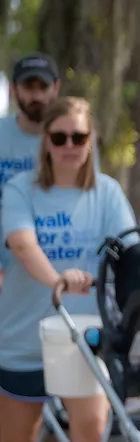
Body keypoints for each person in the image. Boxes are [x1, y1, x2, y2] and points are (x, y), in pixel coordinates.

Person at [0, 96, 135, 442]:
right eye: (60, 138)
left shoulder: (108, 193)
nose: (70, 147)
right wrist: (57, 279)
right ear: (46, 143)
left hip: (81, 337)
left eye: (79, 137)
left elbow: (129, 253)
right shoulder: (21, 190)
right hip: (23, 336)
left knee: (91, 436)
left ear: (90, 140)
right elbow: (21, 243)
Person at [0, 54, 63, 290]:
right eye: (28, 87)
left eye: (43, 87)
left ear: (55, 88)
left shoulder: (73, 140)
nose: (36, 95)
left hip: (56, 265)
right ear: (14, 90)